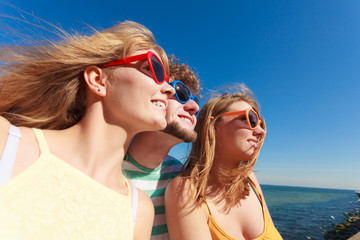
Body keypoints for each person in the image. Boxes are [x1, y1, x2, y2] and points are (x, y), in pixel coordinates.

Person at [0, 20, 175, 240]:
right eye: (153, 68)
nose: (168, 89)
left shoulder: (139, 209)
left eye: (167, 80)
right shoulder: (7, 143)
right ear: (97, 80)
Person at [165, 85, 283, 240]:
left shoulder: (250, 180)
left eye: (261, 125)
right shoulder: (186, 190)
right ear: (212, 126)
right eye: (250, 119)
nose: (260, 132)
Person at [122, 56, 201, 240]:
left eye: (196, 100)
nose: (194, 107)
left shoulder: (183, 178)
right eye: (181, 93)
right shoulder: (105, 167)